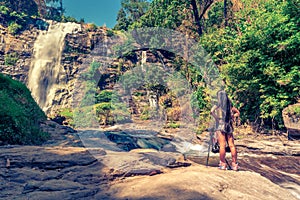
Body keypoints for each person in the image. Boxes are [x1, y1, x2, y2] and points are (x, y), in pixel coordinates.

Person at [210, 90, 240, 170]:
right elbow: (238, 112)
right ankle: (234, 164)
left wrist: (217, 118)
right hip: (229, 125)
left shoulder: (218, 105)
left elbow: (211, 111)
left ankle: (223, 164)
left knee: (222, 146)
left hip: (220, 125)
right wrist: (232, 116)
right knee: (231, 145)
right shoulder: (229, 105)